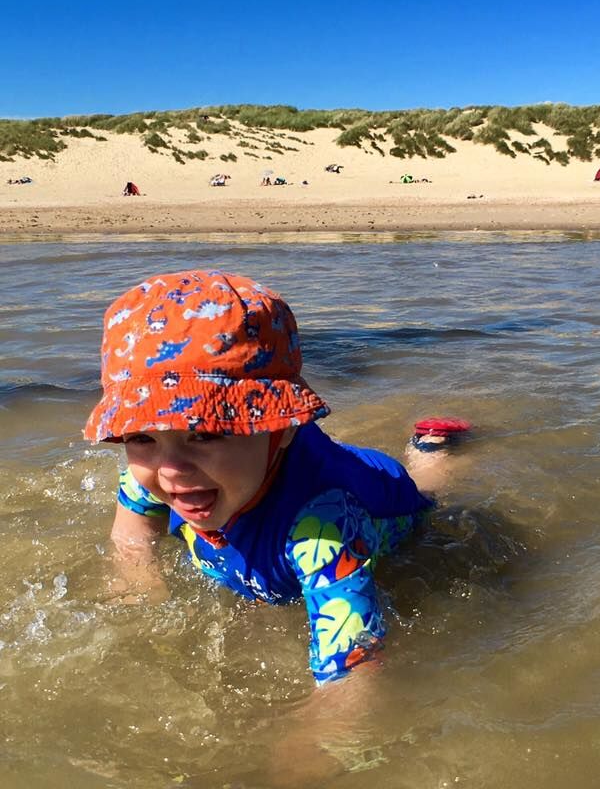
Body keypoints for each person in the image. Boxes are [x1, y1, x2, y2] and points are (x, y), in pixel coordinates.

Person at [85, 269, 470, 686]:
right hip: (287, 472)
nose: (171, 470)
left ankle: (432, 452)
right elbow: (132, 539)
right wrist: (141, 590)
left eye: (206, 432)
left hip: (381, 496)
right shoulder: (152, 474)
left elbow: (355, 669)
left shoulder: (323, 527)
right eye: (141, 436)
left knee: (430, 495)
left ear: (283, 426)